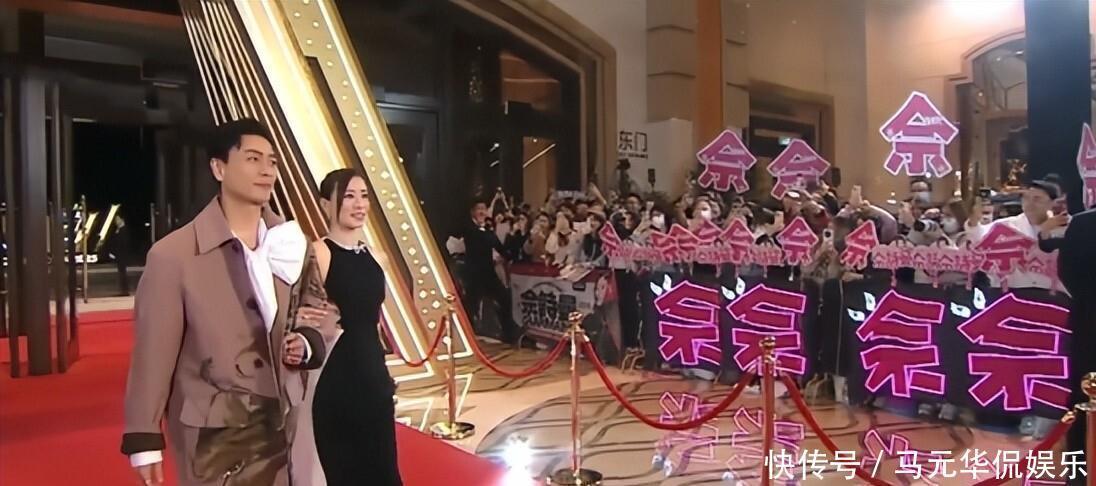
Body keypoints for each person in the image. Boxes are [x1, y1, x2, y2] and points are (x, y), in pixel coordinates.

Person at [121, 118, 328, 486]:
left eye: (272, 161)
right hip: (215, 439)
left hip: (283, 424)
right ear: (219, 168)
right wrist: (145, 436)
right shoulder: (174, 255)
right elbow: (153, 353)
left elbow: (315, 306)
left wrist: (306, 339)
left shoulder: (289, 243)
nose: (266, 170)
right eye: (252, 159)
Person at [308, 169, 402, 485]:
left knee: (385, 473)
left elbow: (373, 319)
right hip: (336, 382)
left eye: (364, 196)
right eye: (349, 196)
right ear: (326, 204)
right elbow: (305, 317)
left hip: (374, 379)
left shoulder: (377, 257)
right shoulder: (318, 253)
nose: (359, 204)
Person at [1053, 205, 1095, 482]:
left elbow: (1068, 274)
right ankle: (1078, 474)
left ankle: (1077, 476)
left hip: (1088, 324)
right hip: (1089, 331)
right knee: (1082, 403)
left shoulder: (1083, 223)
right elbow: (1067, 273)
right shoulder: (1084, 224)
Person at [461, 199, 521, 344]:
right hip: (474, 274)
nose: (482, 212)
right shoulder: (469, 229)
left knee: (504, 298)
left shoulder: (487, 230)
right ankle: (465, 334)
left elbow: (500, 247)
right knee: (470, 305)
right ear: (473, 212)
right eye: (479, 209)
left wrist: (512, 237)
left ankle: (508, 332)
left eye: (484, 208)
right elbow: (483, 240)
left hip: (488, 273)